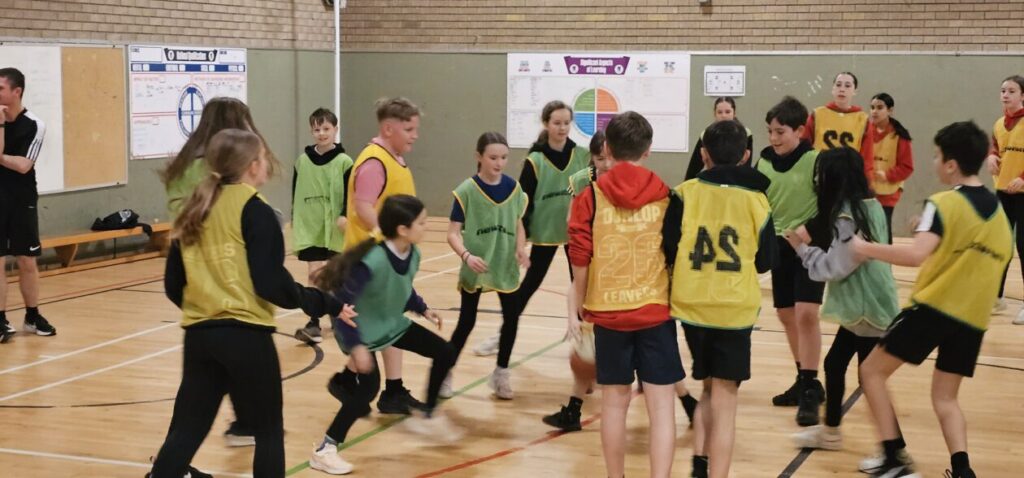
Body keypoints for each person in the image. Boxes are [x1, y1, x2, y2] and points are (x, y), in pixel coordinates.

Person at [148, 128, 338, 478]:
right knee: (268, 432)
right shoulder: (256, 210)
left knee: (186, 431)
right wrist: (321, 302)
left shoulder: (194, 208)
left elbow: (174, 285)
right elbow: (271, 282)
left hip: (199, 336)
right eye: (263, 158)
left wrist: (206, 309)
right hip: (247, 335)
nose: (266, 164)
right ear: (252, 166)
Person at [854, 121, 1012, 478]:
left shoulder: (942, 203)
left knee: (871, 373)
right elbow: (982, 254)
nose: (934, 163)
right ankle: (962, 469)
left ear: (951, 164)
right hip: (972, 320)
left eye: (937, 156)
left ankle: (894, 458)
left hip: (933, 309)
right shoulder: (999, 214)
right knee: (945, 398)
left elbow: (916, 255)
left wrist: (864, 248)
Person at [309, 195, 463, 475]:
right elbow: (342, 306)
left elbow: (403, 286)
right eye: (422, 222)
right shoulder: (372, 260)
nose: (427, 226)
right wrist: (356, 347)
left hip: (391, 324)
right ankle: (325, 449)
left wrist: (423, 308)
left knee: (446, 352)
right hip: (360, 329)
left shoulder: (413, 253)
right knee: (368, 390)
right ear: (403, 229)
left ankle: (428, 412)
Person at [569, 111, 684, 478]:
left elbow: (579, 260)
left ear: (606, 148)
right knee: (662, 408)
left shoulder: (589, 197)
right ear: (648, 150)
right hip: (655, 312)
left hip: (607, 315)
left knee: (614, 406)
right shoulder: (667, 195)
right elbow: (675, 255)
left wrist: (577, 310)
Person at [673, 119, 776, 478]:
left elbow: (668, 248)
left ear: (703, 154)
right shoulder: (757, 201)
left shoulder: (684, 193)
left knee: (707, 388)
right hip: (734, 310)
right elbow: (766, 261)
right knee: (725, 400)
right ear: (746, 156)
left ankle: (699, 464)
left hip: (692, 307)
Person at [783, 147, 901, 458]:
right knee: (835, 364)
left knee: (870, 379)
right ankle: (832, 432)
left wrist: (800, 248)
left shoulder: (849, 216)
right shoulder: (870, 205)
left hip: (867, 308)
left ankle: (895, 451)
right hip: (862, 306)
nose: (817, 181)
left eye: (821, 175)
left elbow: (832, 268)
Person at [472, 100, 590, 366]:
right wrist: (519, 239)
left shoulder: (582, 155)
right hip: (545, 231)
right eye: (557, 123)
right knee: (529, 285)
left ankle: (586, 338)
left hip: (576, 231)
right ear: (546, 123)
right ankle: (502, 334)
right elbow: (522, 202)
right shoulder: (535, 160)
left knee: (582, 286)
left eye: (566, 123)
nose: (562, 127)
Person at [344, 97, 423, 414]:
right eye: (409, 129)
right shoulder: (374, 162)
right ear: (388, 128)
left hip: (389, 261)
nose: (415, 135)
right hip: (369, 262)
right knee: (377, 326)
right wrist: (388, 237)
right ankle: (347, 384)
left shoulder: (394, 159)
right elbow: (363, 208)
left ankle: (393, 390)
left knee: (391, 322)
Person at [755, 96, 825, 426]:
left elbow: (831, 205)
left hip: (809, 249)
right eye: (770, 131)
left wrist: (809, 231)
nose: (773, 138)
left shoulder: (815, 161)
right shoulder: (764, 161)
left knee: (806, 314)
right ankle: (804, 378)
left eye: (780, 131)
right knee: (785, 314)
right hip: (778, 247)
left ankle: (810, 386)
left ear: (799, 130)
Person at [444, 132, 529, 399]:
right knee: (466, 322)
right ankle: (445, 371)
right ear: (478, 157)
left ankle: (501, 373)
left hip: (505, 264)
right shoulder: (466, 191)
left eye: (504, 157)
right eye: (493, 157)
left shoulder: (514, 189)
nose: (499, 163)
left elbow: (518, 223)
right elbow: (452, 234)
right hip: (476, 264)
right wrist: (467, 256)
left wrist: (520, 248)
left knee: (512, 319)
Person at [544, 130, 612, 430]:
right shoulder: (583, 183)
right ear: (592, 158)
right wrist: (572, 316)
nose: (605, 164)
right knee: (588, 335)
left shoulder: (624, 183)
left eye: (609, 157)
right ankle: (573, 409)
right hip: (592, 261)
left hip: (617, 266)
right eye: (600, 158)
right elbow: (574, 223)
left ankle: (684, 398)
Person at [0, 67, 54, 343]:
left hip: (22, 200)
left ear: (16, 91)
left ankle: (32, 316)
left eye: (0, 89)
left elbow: (23, 165)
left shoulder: (34, 124)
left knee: (27, 260)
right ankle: (0, 319)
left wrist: (1, 157)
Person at [292, 107, 354, 344]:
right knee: (314, 273)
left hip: (336, 227)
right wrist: (297, 218)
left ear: (335, 129)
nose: (322, 133)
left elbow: (351, 193)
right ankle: (313, 322)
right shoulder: (302, 161)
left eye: (326, 128)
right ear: (311, 131)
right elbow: (296, 193)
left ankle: (339, 316)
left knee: (335, 275)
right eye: (317, 129)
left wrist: (345, 215)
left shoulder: (345, 162)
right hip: (311, 224)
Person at [985, 75, 1024, 323]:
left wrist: (1023, 178)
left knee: (1023, 246)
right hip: (1003, 191)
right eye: (1003, 91)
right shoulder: (999, 124)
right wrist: (991, 155)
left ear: (1022, 95)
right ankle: (996, 297)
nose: (1005, 95)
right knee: (999, 245)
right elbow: (996, 146)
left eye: (1011, 91)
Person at [803, 71, 875, 181]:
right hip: (819, 175)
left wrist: (866, 182)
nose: (842, 89)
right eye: (838, 85)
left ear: (855, 91)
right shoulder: (817, 115)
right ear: (833, 89)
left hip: (848, 178)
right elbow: (804, 147)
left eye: (847, 86)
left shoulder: (862, 120)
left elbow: (867, 158)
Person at [868, 93, 914, 242]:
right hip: (867, 188)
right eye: (872, 107)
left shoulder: (900, 136)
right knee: (866, 229)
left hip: (888, 191)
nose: (874, 111)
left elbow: (907, 167)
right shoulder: (864, 132)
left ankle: (885, 255)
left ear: (890, 110)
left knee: (883, 229)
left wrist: (887, 175)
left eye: (879, 107)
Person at [684, 97, 754, 180]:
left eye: (727, 112)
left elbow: (747, 164)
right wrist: (687, 183)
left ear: (734, 113)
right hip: (714, 177)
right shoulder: (706, 134)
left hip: (736, 178)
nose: (723, 116)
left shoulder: (746, 134)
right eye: (720, 112)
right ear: (715, 114)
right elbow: (695, 165)